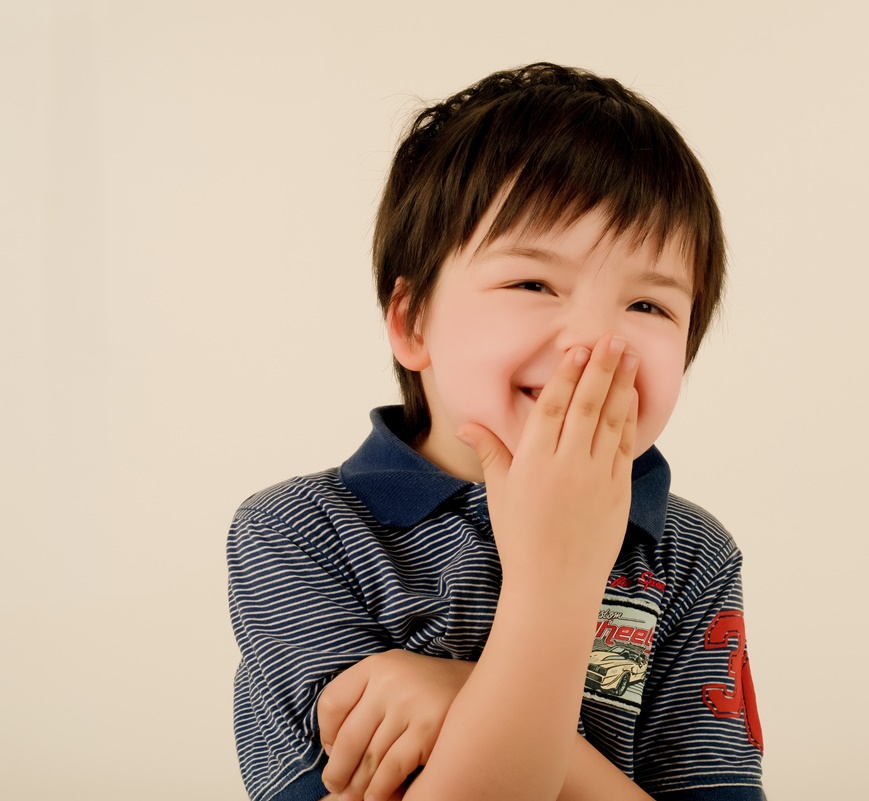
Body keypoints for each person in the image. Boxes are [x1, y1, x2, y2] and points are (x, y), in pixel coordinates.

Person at [227, 62, 765, 801]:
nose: (594, 342)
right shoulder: (296, 535)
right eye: (533, 284)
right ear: (412, 322)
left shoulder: (693, 555)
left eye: (648, 305)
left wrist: (461, 695)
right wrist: (555, 585)